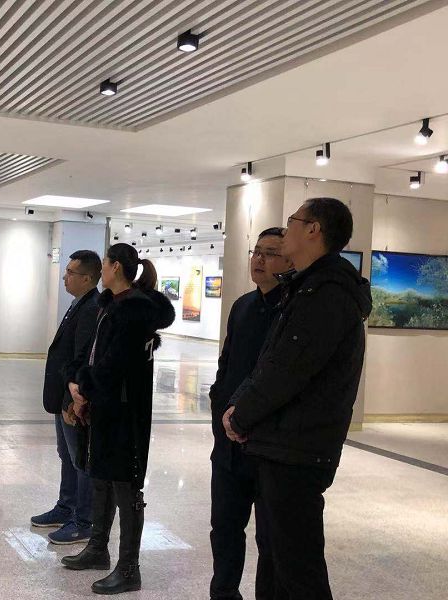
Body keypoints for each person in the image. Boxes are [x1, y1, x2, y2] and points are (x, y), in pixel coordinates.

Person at [225, 198, 372, 599]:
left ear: (313, 230)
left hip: (298, 448)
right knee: (275, 558)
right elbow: (271, 361)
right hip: (282, 444)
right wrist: (238, 404)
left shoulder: (327, 294)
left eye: (293, 221)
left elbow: (288, 370)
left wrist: (240, 415)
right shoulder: (307, 287)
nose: (286, 227)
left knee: (297, 568)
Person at [61, 243, 175, 595]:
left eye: (106, 263)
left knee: (125, 485)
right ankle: (98, 548)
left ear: (115, 268)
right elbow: (94, 354)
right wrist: (79, 382)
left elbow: (115, 364)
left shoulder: (135, 310)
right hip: (106, 408)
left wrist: (85, 389)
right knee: (101, 477)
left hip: (124, 413)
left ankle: (129, 568)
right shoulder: (112, 304)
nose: (102, 271)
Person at [209, 227, 292, 600]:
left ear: (289, 260)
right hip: (228, 446)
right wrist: (219, 409)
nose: (259, 259)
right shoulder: (242, 305)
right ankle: (223, 592)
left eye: (270, 252)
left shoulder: (291, 310)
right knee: (224, 527)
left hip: (267, 444)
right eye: (256, 251)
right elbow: (226, 365)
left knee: (269, 537)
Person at [31, 250, 101, 545]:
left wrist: (76, 396)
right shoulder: (78, 304)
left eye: (70, 272)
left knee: (79, 458)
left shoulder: (91, 307)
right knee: (67, 455)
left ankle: (83, 520)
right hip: (64, 393)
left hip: (74, 396)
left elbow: (83, 357)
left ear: (87, 278)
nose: (64, 276)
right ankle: (66, 506)